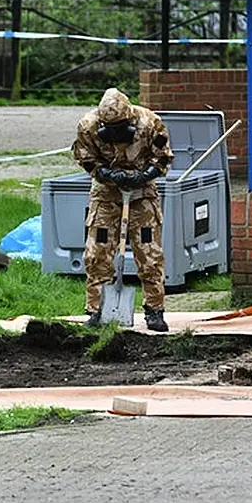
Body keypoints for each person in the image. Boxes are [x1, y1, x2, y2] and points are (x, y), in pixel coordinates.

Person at [72, 88, 174, 331]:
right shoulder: (88, 126)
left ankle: (154, 310)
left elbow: (163, 157)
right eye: (110, 126)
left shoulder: (150, 122)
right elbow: (85, 158)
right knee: (97, 253)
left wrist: (144, 175)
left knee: (149, 253)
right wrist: (106, 173)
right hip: (106, 195)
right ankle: (97, 310)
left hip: (142, 195)